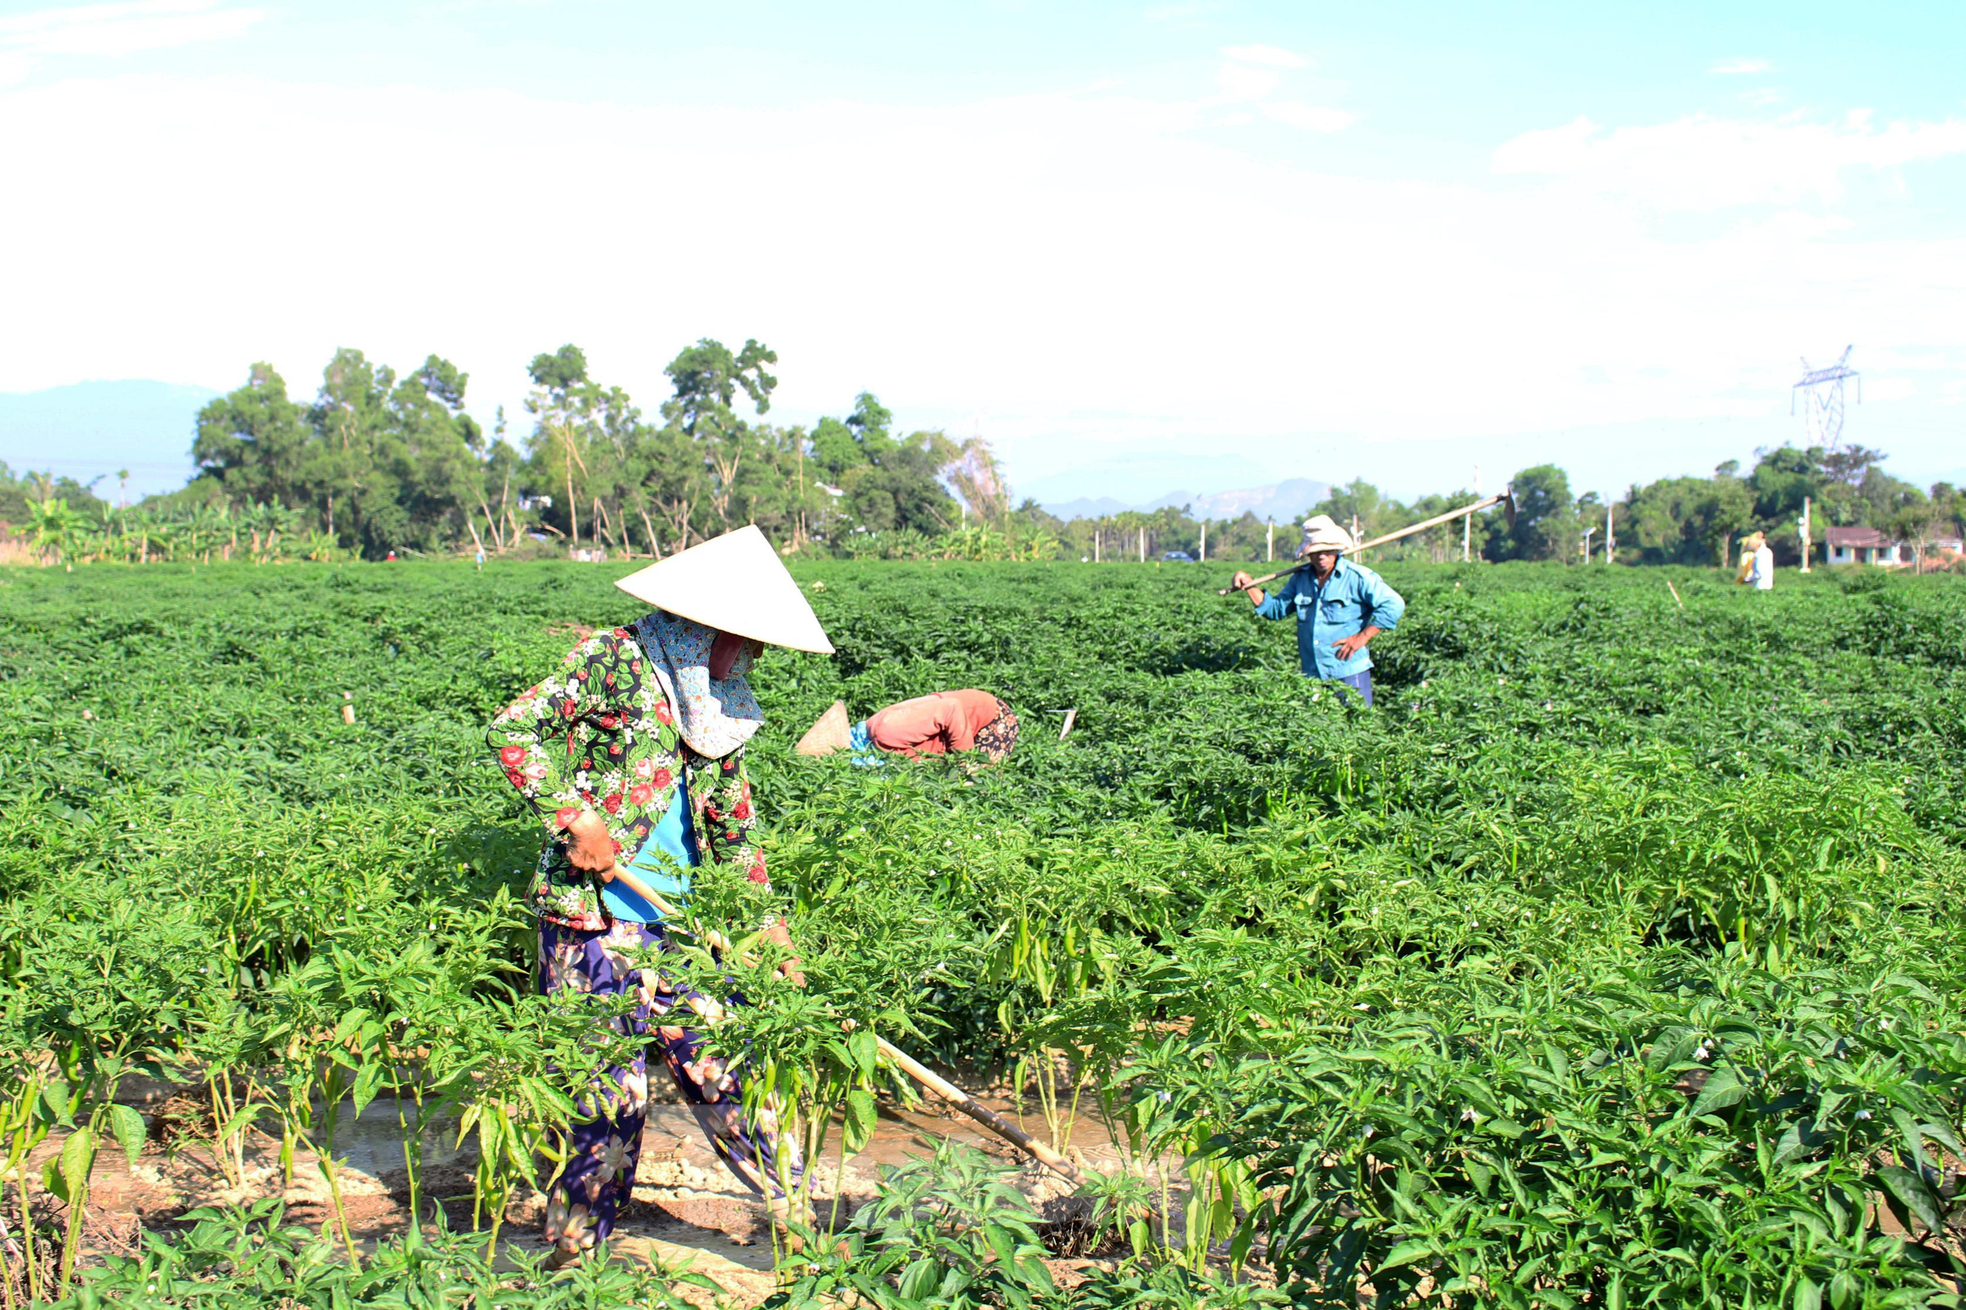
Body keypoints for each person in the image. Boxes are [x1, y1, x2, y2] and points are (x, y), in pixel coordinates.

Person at [486, 525, 833, 1266]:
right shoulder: (615, 659)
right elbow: (515, 731)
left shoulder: (717, 695)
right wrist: (575, 817)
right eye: (748, 638)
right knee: (605, 1100)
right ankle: (575, 1259)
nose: (758, 654)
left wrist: (766, 923)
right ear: (708, 625)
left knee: (729, 1074)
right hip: (593, 918)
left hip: (682, 922)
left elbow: (731, 820)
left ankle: (810, 1237)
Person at [1229, 514, 1405, 706]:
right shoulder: (1300, 579)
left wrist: (1361, 638)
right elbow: (1275, 610)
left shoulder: (1357, 577)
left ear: (1337, 549)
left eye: (1327, 550)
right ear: (1308, 553)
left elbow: (1394, 604)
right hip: (1313, 674)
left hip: (1348, 671)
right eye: (1316, 551)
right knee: (1316, 731)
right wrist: (1249, 584)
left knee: (1356, 728)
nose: (1321, 555)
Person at [794, 690, 1019, 765]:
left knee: (979, 782)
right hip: (960, 729)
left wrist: (965, 760)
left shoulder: (885, 731)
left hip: (991, 720)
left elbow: (951, 709)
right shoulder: (878, 744)